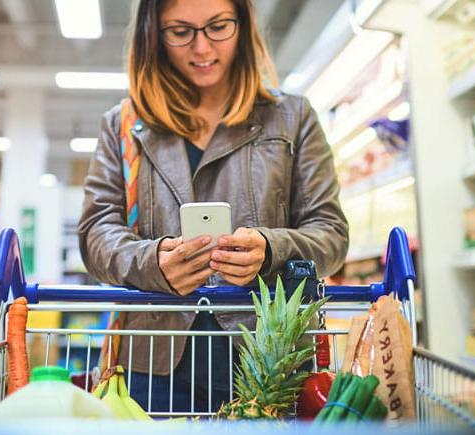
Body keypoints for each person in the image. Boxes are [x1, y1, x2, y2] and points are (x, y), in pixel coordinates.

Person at [78, 0, 348, 414]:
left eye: (218, 27)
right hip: (155, 360)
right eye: (180, 31)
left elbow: (330, 232)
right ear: (154, 35)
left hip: (270, 361)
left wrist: (271, 250)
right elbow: (96, 232)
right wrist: (152, 260)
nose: (202, 49)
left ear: (243, 25)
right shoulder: (123, 124)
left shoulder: (292, 117)